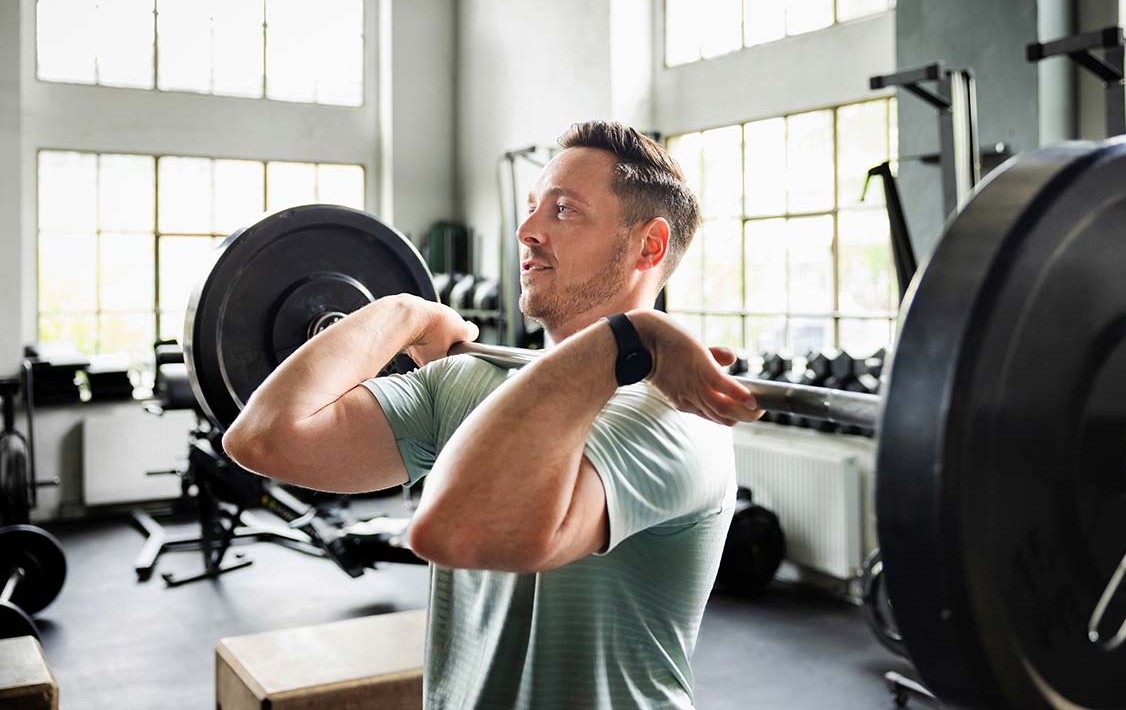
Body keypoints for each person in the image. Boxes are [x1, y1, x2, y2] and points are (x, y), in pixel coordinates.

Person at [223, 120, 764, 709]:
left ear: (648, 246)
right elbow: (264, 437)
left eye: (564, 211)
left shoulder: (673, 418)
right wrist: (402, 314)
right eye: (532, 208)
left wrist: (624, 340)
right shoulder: (473, 380)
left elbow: (461, 532)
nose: (527, 231)